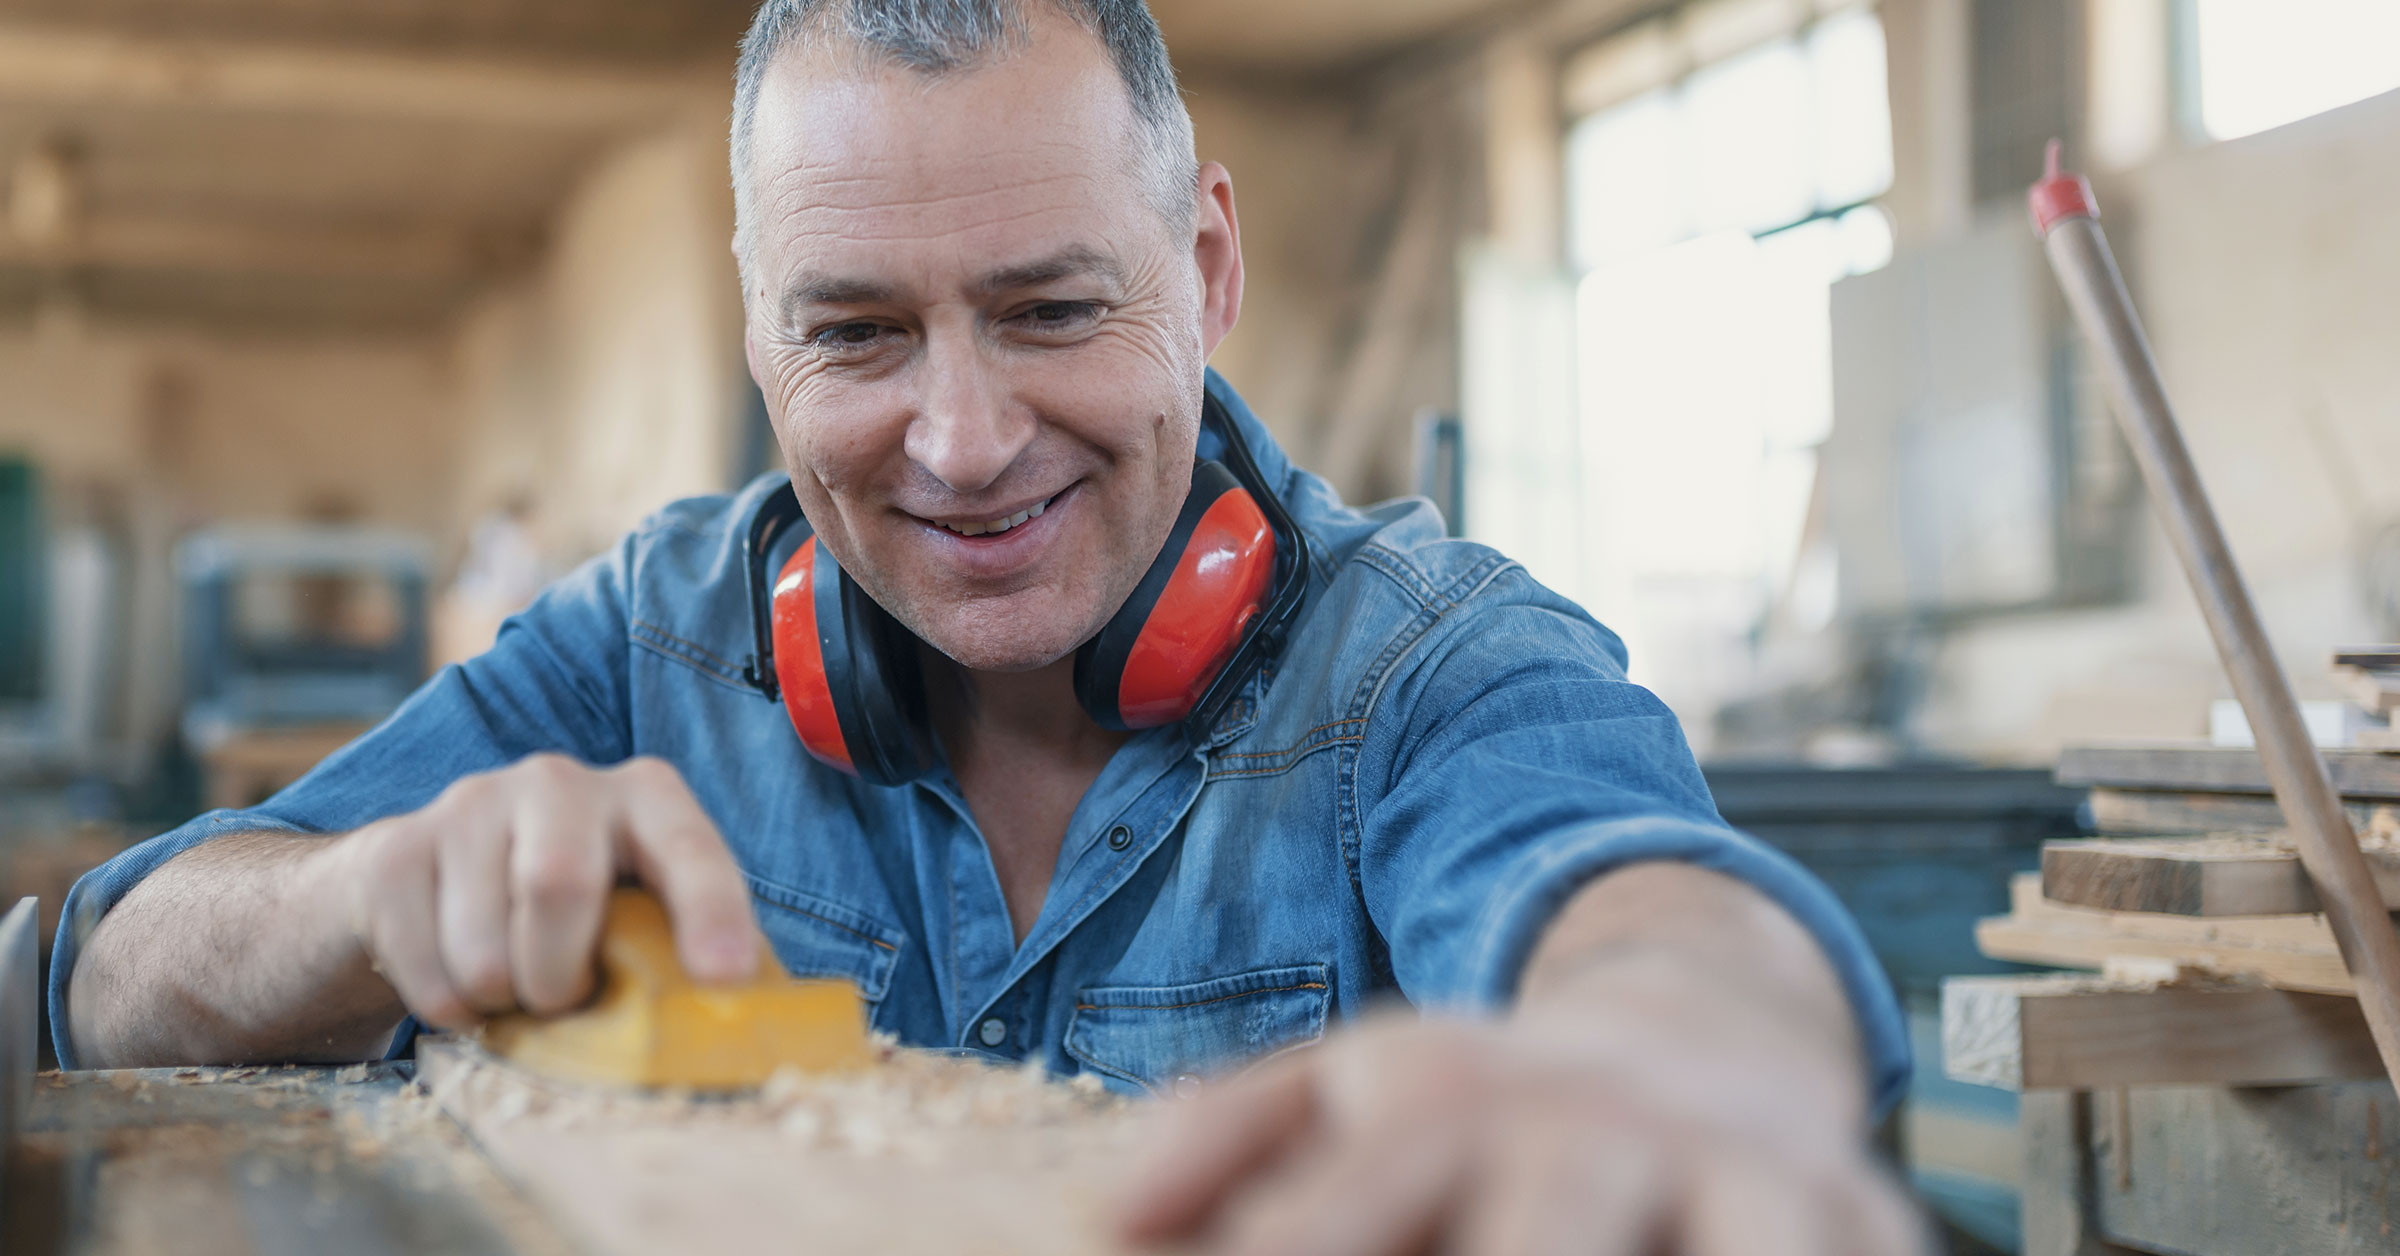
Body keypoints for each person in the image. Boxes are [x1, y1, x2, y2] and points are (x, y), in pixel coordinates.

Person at [54, 1, 1919, 1249]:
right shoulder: (646, 649)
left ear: (1203, 267)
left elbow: (1644, 904)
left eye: (1048, 311)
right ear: (760, 324)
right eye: (855, 334)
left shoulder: (1429, 665)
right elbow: (89, 977)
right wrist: (361, 898)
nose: (959, 443)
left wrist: (1666, 1049)